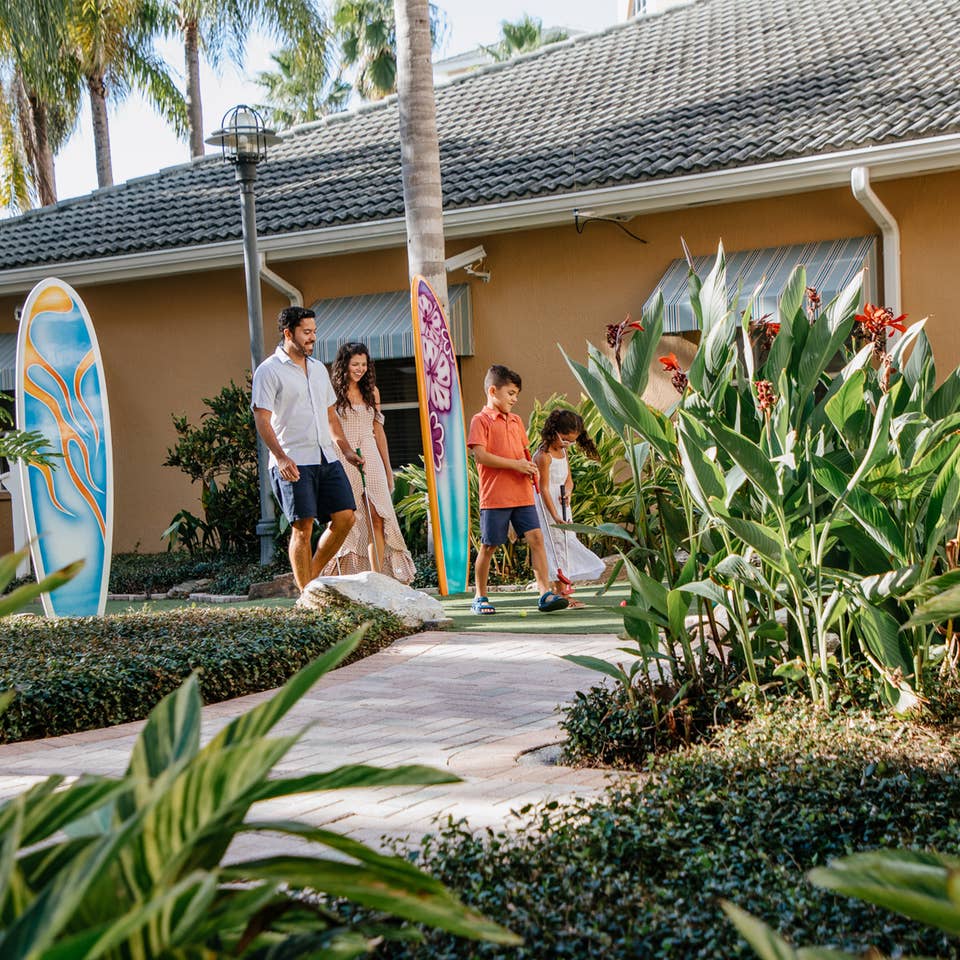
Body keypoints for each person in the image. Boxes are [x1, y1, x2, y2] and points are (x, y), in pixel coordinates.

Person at [251, 306, 363, 592]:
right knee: (303, 528)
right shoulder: (268, 371)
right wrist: (280, 457)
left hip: (325, 455)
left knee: (345, 517)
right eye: (306, 332)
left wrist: (346, 450)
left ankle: (309, 579)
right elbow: (262, 420)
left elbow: (329, 416)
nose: (312, 338)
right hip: (293, 460)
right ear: (288, 333)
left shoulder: (317, 369)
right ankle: (307, 597)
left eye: (314, 331)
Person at [467, 364, 568, 615]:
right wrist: (516, 465)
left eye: (516, 394)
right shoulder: (480, 420)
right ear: (493, 391)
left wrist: (530, 469)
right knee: (489, 546)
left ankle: (544, 593)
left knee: (536, 538)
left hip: (522, 493)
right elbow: (481, 456)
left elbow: (524, 452)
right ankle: (480, 597)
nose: (514, 399)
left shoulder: (516, 420)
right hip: (495, 496)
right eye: (511, 393)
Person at [322, 342, 416, 582]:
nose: (360, 369)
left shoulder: (372, 392)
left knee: (379, 514)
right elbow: (330, 428)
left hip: (370, 453)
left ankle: (378, 580)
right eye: (355, 364)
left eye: (364, 364)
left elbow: (379, 430)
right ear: (344, 364)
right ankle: (344, 576)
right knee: (349, 519)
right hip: (343, 455)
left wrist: (387, 468)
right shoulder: (331, 392)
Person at [533, 408, 606, 608]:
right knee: (555, 546)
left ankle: (564, 591)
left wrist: (569, 493)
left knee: (566, 542)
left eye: (572, 441)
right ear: (553, 431)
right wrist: (554, 515)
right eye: (565, 439)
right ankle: (560, 593)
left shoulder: (563, 452)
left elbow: (568, 479)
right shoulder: (543, 456)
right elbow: (543, 488)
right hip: (547, 506)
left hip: (562, 503)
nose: (568, 444)